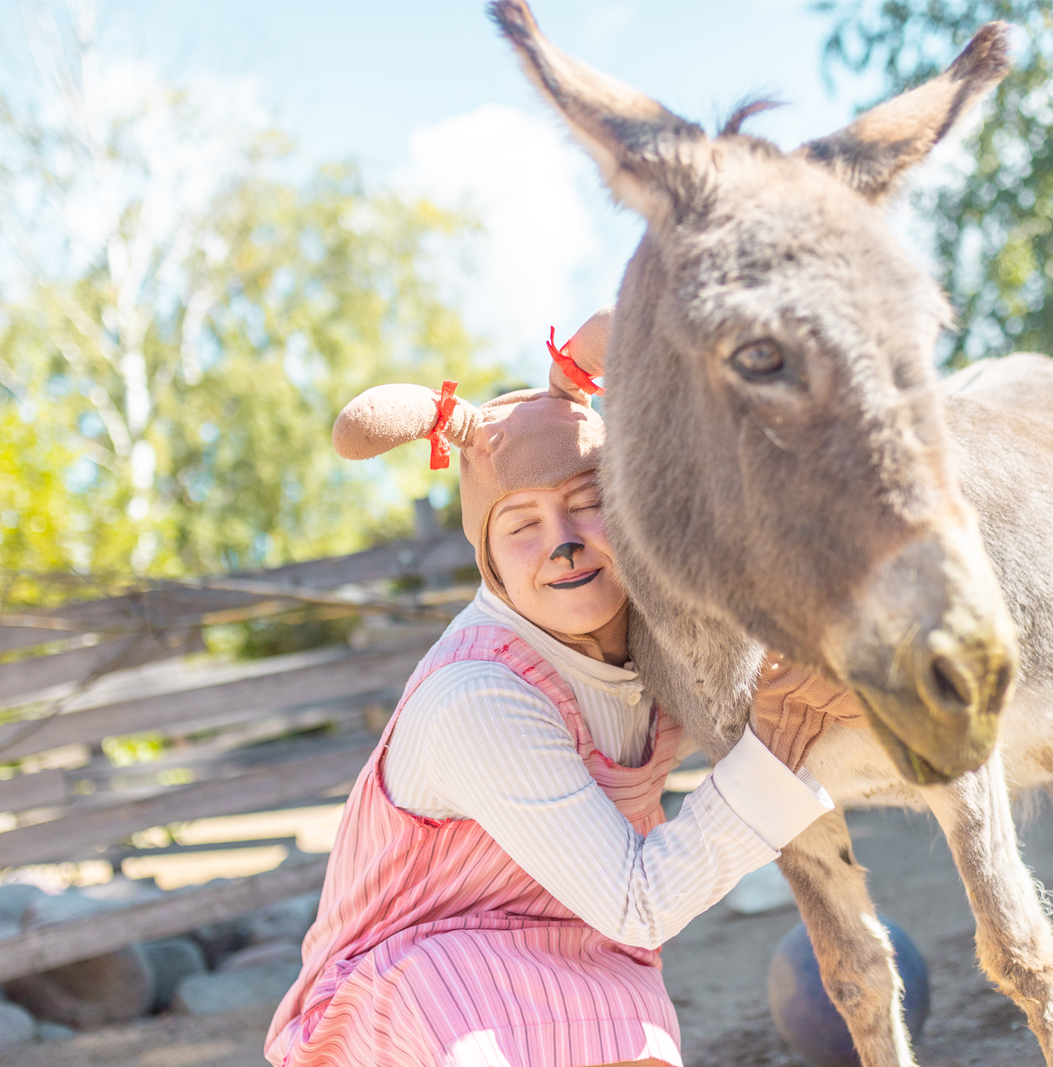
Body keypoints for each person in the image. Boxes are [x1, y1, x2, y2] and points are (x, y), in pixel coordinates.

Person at [266, 308, 862, 1067]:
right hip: (405, 1003)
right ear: (491, 562)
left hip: (573, 950)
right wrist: (778, 745)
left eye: (587, 501)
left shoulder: (646, 629)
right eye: (521, 523)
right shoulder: (479, 696)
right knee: (456, 993)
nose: (564, 540)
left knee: (630, 1026)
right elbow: (636, 902)